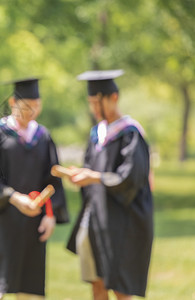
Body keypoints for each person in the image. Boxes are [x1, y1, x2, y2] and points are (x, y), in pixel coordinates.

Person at [0, 78, 69, 299]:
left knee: (31, 287)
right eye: (27, 106)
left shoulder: (43, 136)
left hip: (35, 221)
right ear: (13, 102)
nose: (33, 111)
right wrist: (16, 198)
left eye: (37, 105)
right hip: (3, 220)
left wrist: (50, 214)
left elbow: (53, 181)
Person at [65, 70, 154, 300]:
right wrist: (80, 176)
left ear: (113, 98)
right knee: (97, 284)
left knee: (121, 288)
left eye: (97, 102)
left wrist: (94, 177)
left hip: (123, 223)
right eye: (90, 103)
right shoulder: (97, 133)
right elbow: (89, 170)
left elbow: (130, 178)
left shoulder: (130, 133)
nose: (94, 109)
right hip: (96, 219)